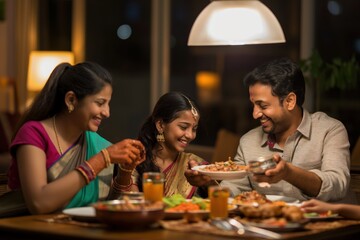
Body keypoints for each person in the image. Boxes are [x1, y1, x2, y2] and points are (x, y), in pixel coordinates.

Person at [186, 57, 354, 203]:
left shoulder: (329, 131)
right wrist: (207, 183)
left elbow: (337, 186)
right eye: (253, 105)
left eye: (263, 105)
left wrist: (288, 172)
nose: (255, 114)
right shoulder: (249, 141)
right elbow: (233, 194)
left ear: (289, 101)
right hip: (265, 227)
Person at [0, 62, 145, 216]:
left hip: (77, 230)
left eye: (108, 104)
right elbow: (38, 203)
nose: (107, 112)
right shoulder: (33, 134)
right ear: (71, 100)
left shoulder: (93, 142)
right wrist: (101, 160)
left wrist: (124, 172)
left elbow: (107, 206)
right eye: (100, 103)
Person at [114, 91, 210, 198]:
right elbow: (129, 204)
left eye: (194, 129)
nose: (190, 135)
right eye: (183, 127)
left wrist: (206, 182)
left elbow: (222, 197)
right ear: (160, 125)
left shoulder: (195, 165)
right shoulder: (136, 158)